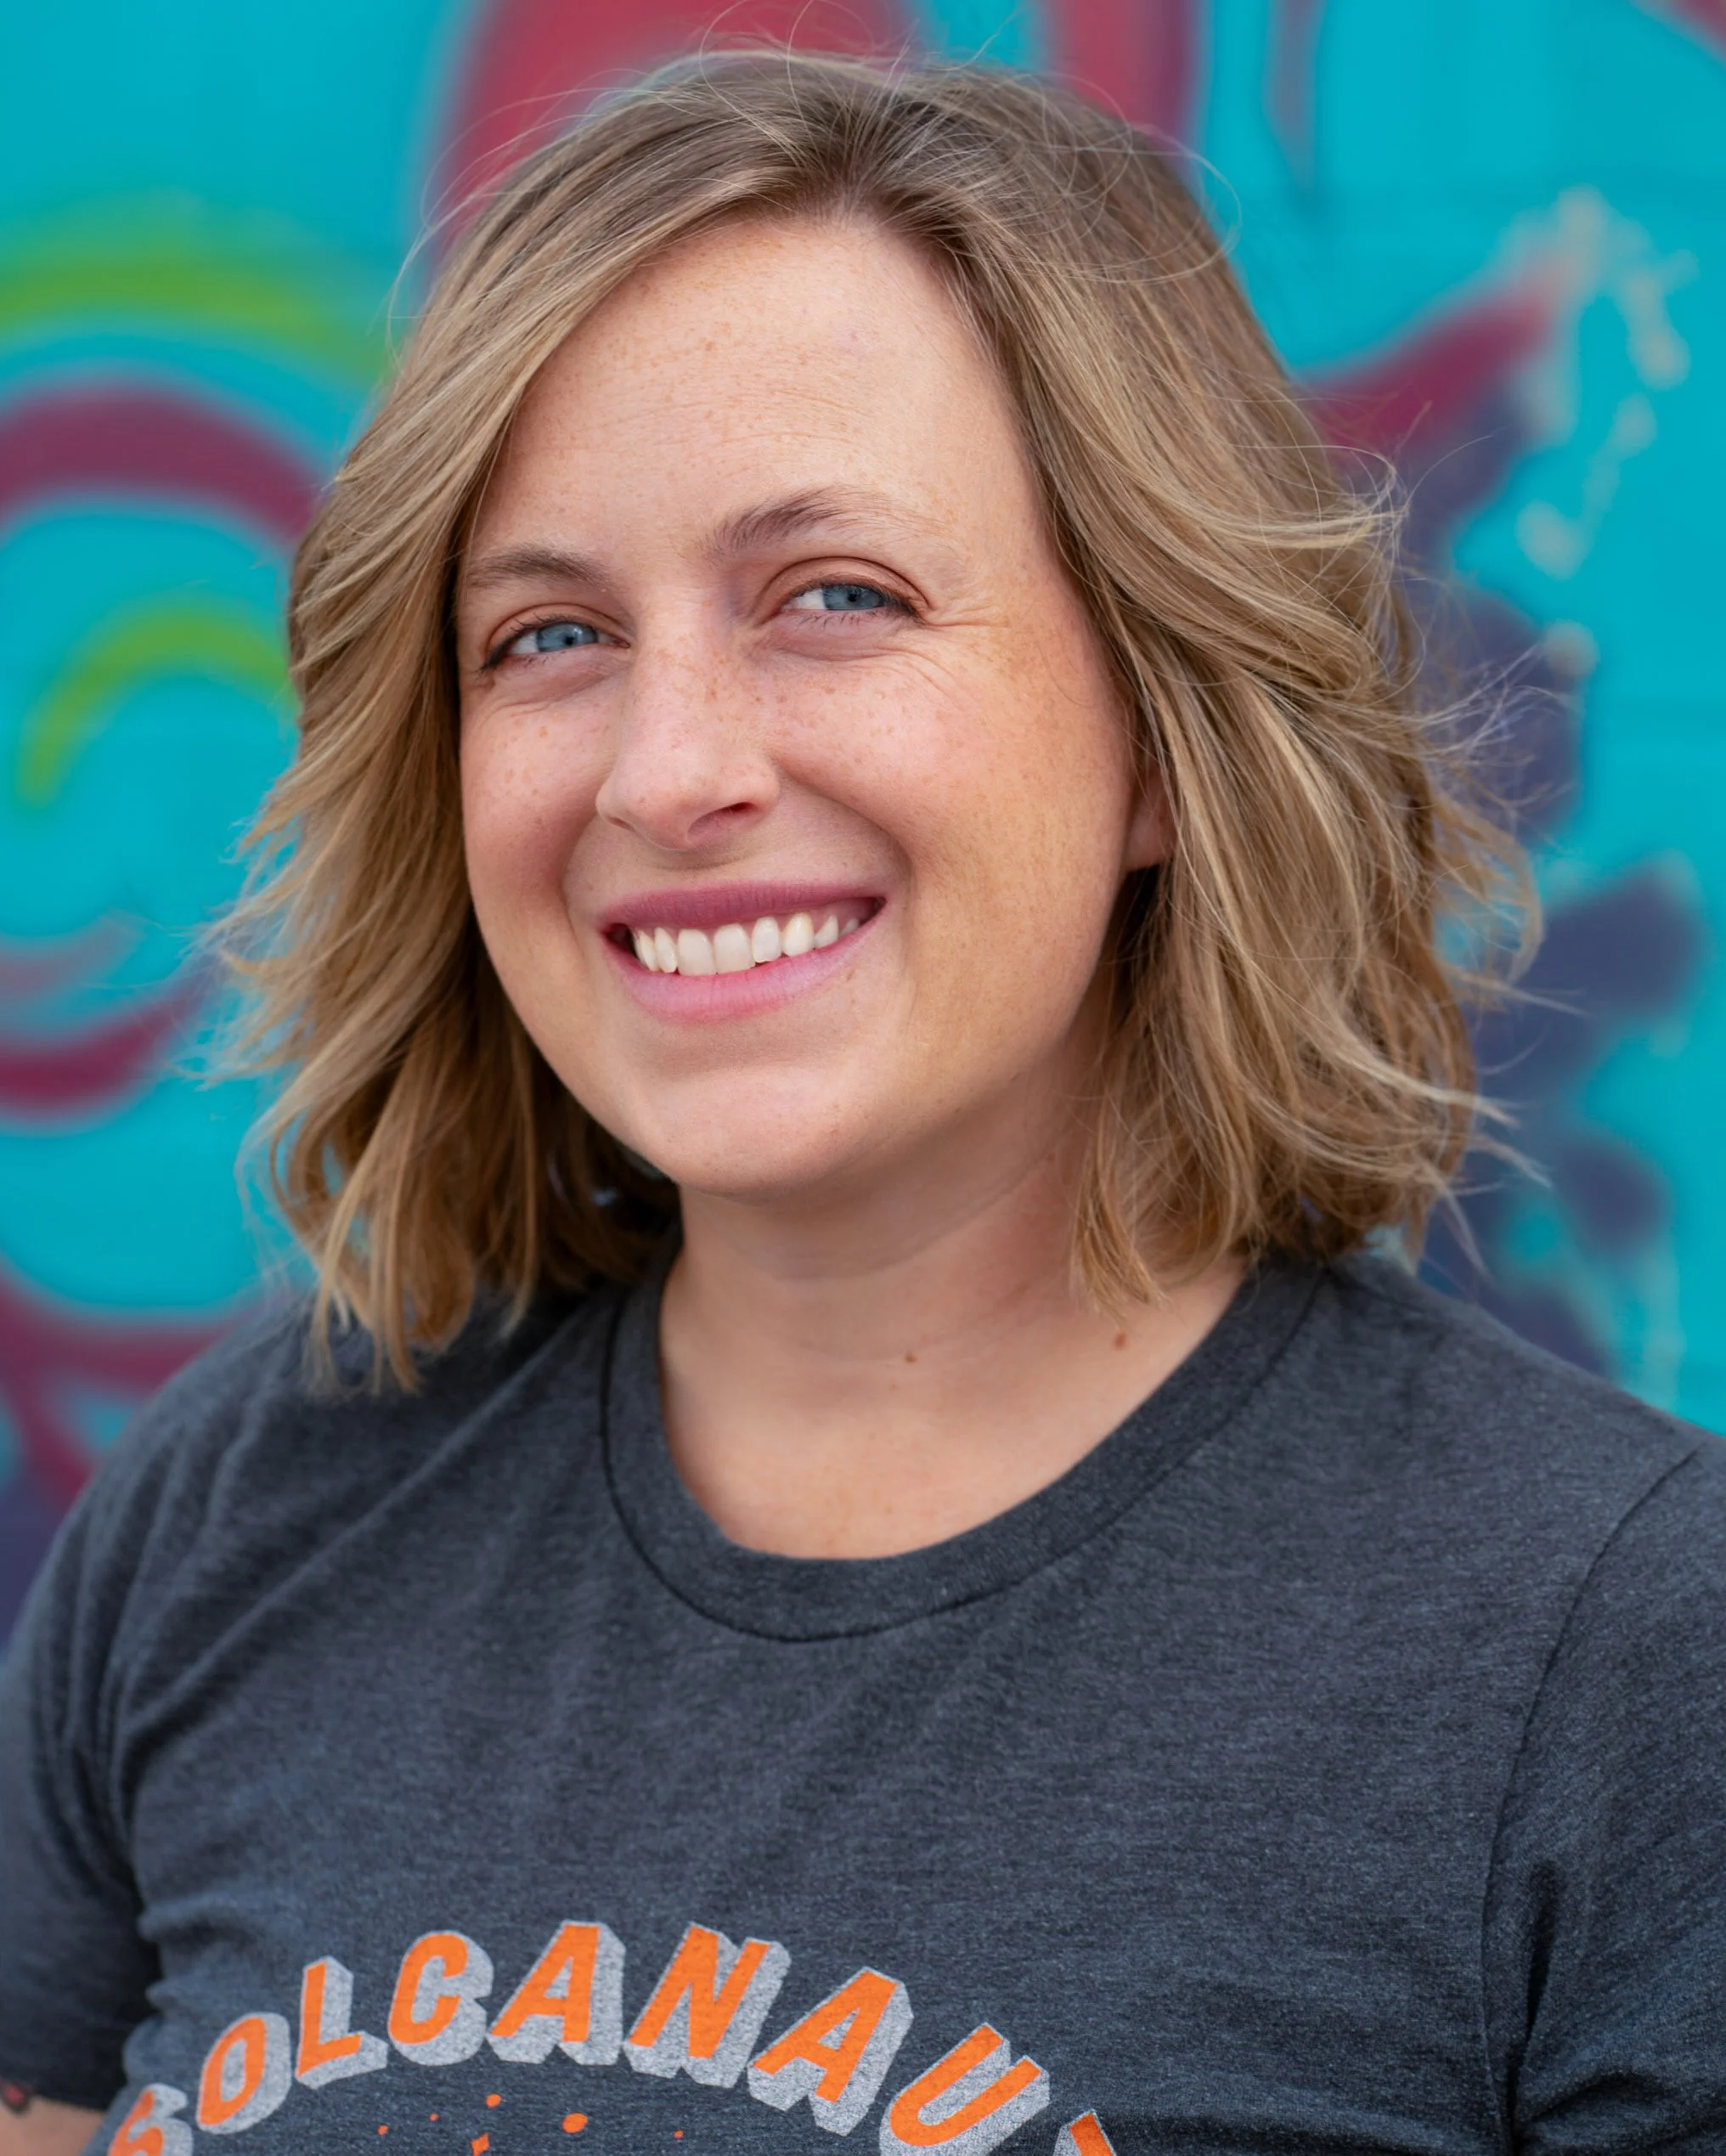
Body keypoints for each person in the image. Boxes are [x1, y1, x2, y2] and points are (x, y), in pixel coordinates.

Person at [2, 49, 1722, 2156]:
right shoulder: (244, 1510)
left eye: (837, 599)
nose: (664, 771)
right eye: (546, 634)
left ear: (1166, 742)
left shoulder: (1621, 1651)